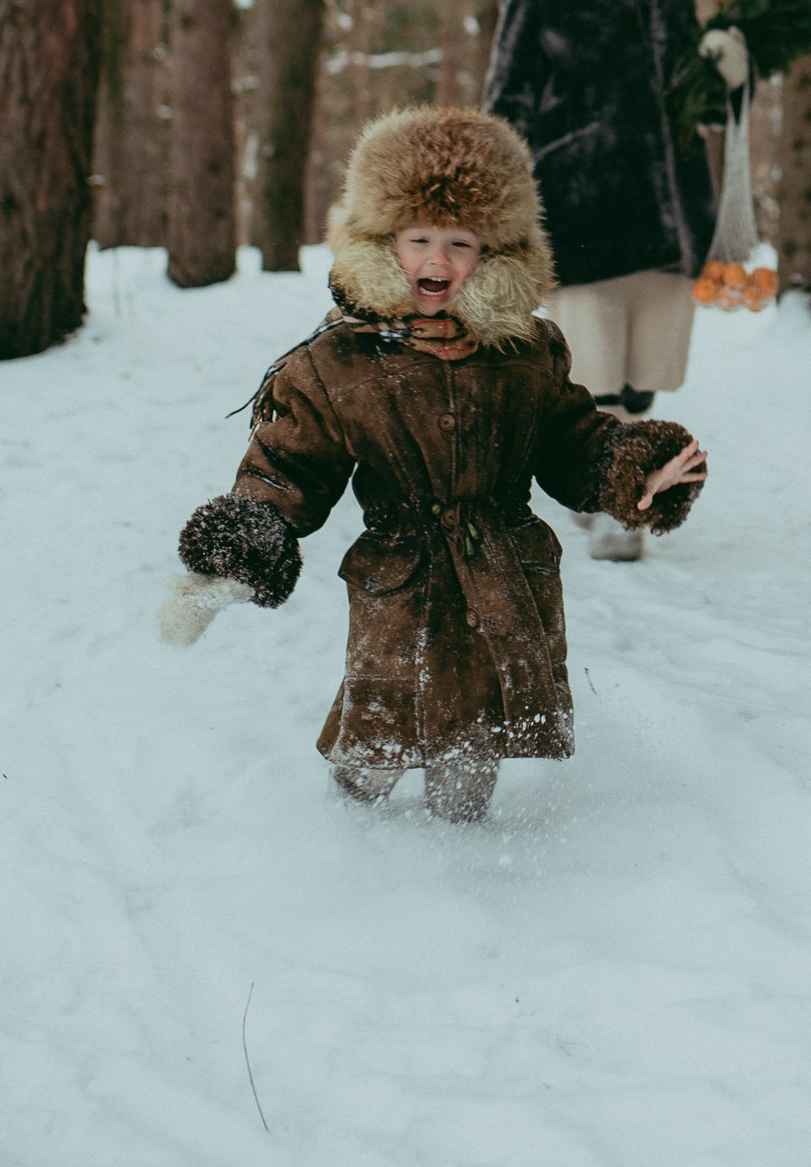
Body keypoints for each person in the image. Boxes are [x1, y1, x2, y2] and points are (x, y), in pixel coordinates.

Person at [160, 105, 707, 822]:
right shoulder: (337, 363)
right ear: (383, 241)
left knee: (472, 745)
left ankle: (461, 867)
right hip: (401, 587)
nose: (438, 261)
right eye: (418, 239)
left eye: (460, 242)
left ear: (496, 251)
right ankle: (347, 847)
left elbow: (571, 443)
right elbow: (289, 464)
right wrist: (246, 540)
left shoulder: (527, 353)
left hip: (507, 587)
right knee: (376, 740)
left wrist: (632, 468)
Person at [485, 0, 716, 555]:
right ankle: (621, 506)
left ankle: (599, 471)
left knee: (646, 375)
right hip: (576, 207)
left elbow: (697, 97)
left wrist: (729, 70)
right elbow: (504, 102)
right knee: (593, 371)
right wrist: (506, 204)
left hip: (668, 205)